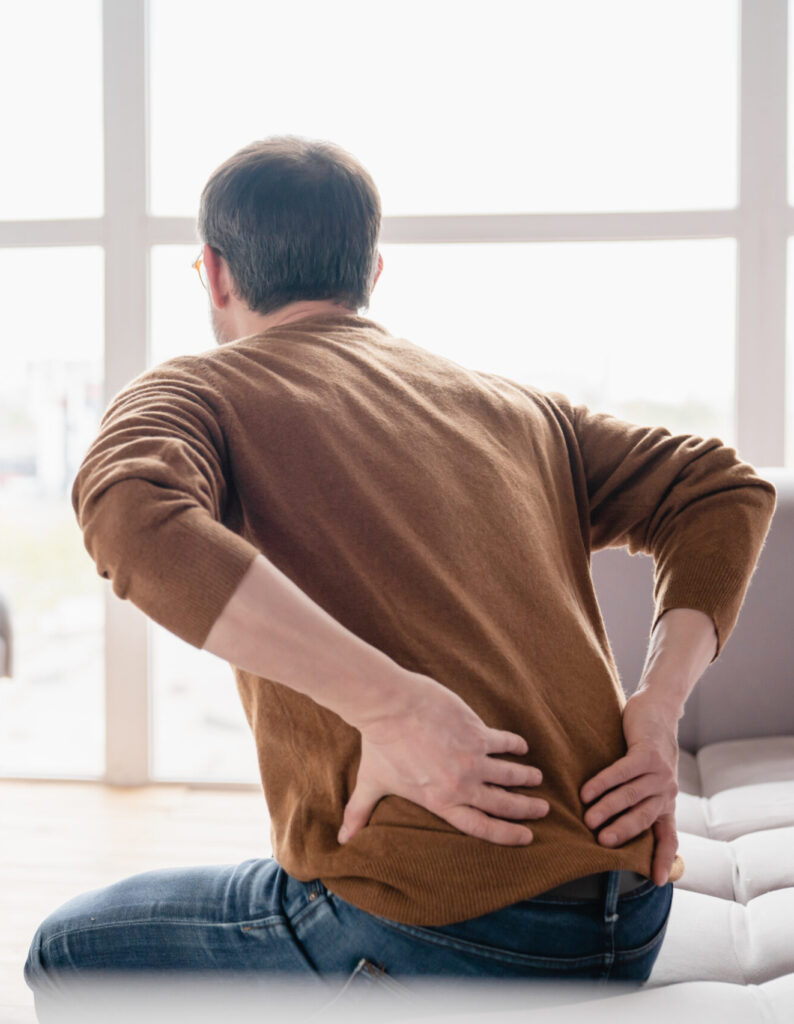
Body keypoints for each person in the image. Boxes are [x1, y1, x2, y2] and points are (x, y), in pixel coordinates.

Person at [24, 135, 776, 1018]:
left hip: (438, 932)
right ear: (371, 270)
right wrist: (659, 705)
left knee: (65, 950)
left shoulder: (199, 392)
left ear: (214, 274)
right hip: (633, 910)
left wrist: (392, 706)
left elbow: (128, 511)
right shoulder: (512, 404)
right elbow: (722, 487)